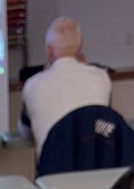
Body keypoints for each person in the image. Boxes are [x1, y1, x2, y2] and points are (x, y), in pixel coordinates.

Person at [20, 18, 112, 157]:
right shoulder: (102, 79)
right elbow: (107, 123)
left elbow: (24, 132)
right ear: (80, 46)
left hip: (51, 175)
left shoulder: (32, 85)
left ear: (48, 50)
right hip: (96, 172)